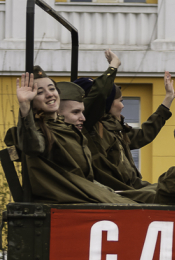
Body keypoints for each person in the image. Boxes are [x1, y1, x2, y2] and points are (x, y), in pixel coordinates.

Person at [5, 68, 134, 204]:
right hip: (70, 199)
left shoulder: (65, 128)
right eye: (40, 92)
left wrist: (108, 191)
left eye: (52, 89)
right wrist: (25, 106)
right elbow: (32, 146)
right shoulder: (41, 132)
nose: (49, 94)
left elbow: (84, 177)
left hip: (85, 193)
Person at [74, 51, 174, 192]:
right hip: (118, 191)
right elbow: (99, 94)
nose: (123, 106)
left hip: (132, 187)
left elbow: (144, 134)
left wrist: (168, 99)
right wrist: (114, 65)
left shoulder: (113, 128)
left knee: (173, 191)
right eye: (120, 101)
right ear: (106, 104)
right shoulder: (89, 126)